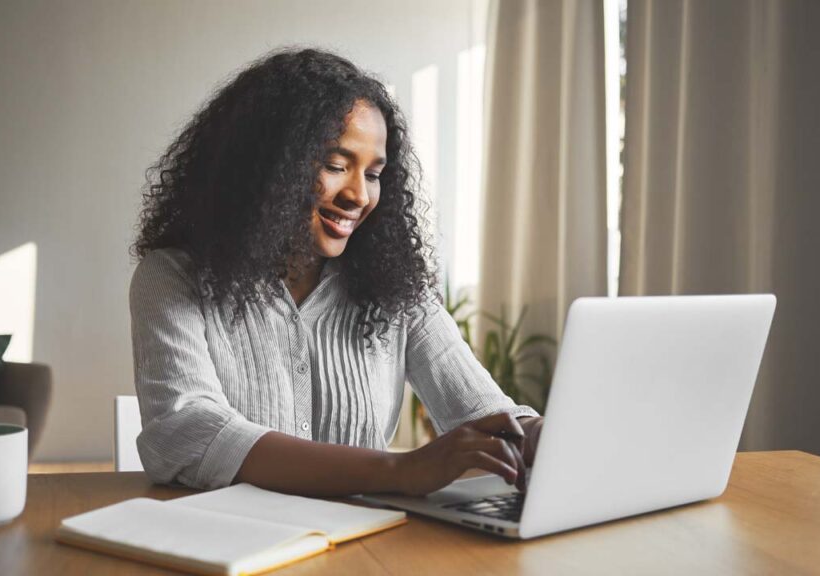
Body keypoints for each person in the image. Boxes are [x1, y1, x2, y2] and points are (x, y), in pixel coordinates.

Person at [130, 47, 544, 497]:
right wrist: (397, 471)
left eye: (374, 174)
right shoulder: (173, 276)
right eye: (336, 165)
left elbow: (484, 414)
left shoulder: (397, 291)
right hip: (234, 553)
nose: (359, 195)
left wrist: (541, 436)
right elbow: (188, 432)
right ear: (266, 164)